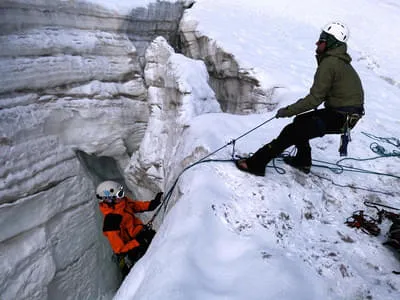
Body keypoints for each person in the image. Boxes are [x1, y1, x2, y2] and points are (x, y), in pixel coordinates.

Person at [235, 21, 364, 176]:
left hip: (341, 116)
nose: (318, 42)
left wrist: (287, 111)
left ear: (331, 42)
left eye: (322, 39)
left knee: (292, 131)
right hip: (344, 115)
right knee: (300, 123)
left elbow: (314, 99)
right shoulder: (336, 62)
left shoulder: (330, 64)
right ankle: (303, 161)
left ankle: (256, 163)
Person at [96, 180, 163, 277]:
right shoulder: (111, 222)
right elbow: (119, 249)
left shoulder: (123, 203)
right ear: (109, 199)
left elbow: (136, 206)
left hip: (140, 235)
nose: (123, 196)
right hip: (132, 248)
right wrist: (138, 242)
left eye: (122, 192)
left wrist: (152, 204)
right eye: (120, 194)